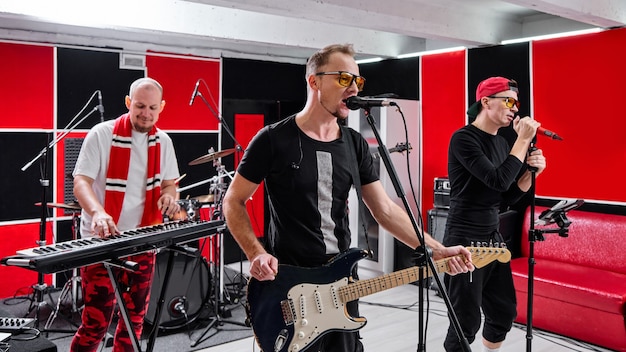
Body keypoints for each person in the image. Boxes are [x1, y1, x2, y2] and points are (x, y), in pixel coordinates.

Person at [222, 43, 474, 352]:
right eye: (343, 78)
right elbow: (233, 201)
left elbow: (385, 211)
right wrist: (255, 253)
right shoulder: (273, 139)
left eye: (357, 81)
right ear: (314, 81)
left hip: (342, 282)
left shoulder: (354, 145)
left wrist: (437, 250)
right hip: (288, 285)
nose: (353, 87)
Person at [70, 77, 181, 352]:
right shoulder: (101, 133)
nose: (146, 113)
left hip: (142, 240)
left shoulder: (164, 142)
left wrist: (169, 196)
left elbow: (170, 185)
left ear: (162, 107)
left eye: (153, 108)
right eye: (140, 106)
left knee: (134, 321)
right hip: (101, 241)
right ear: (128, 103)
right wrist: (97, 212)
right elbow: (80, 182)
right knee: (96, 322)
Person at [442, 76, 547, 352]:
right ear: (486, 102)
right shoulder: (464, 139)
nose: (514, 108)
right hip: (463, 237)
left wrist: (530, 173)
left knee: (503, 312)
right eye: (508, 101)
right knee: (465, 320)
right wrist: (523, 139)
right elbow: (498, 180)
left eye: (516, 103)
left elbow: (506, 197)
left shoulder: (502, 144)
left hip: (492, 235)